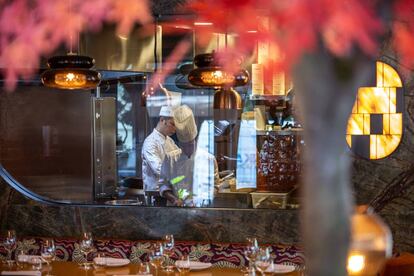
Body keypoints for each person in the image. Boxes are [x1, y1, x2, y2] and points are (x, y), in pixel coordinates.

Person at [159, 105, 218, 207]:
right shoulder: (170, 159)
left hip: (201, 211)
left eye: (190, 144)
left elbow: (215, 186)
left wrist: (202, 200)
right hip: (175, 211)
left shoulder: (209, 159)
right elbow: (163, 185)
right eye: (183, 145)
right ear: (180, 143)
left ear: (195, 140)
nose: (187, 148)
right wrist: (174, 200)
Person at [141, 106, 182, 198]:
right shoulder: (150, 142)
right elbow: (159, 169)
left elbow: (180, 158)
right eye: (172, 124)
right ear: (162, 120)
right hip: (156, 194)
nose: (175, 129)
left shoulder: (170, 141)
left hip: (170, 191)